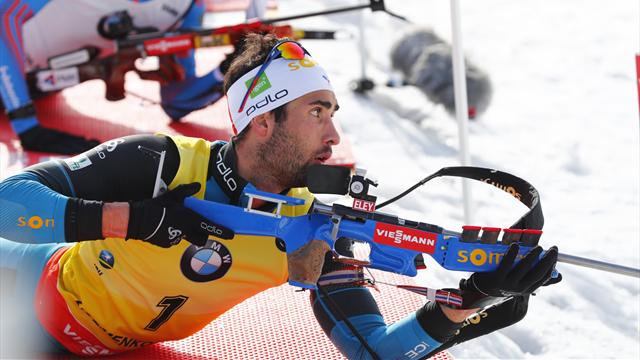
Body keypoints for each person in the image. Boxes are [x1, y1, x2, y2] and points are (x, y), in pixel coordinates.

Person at [0, 33, 560, 359]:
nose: (335, 135)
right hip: (27, 297)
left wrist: (465, 306)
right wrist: (135, 220)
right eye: (317, 113)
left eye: (334, 114)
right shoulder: (161, 163)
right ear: (263, 121)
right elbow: (8, 203)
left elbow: (376, 351)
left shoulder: (314, 225)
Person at [1, 0, 233, 154]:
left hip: (37, 91)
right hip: (15, 96)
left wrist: (228, 68)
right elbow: (6, 15)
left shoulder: (187, 7)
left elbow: (177, 102)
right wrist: (27, 125)